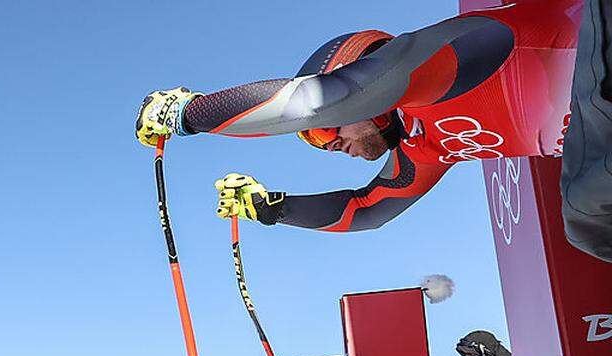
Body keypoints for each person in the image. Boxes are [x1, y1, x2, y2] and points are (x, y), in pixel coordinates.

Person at [134, 0, 612, 262]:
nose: (334, 145)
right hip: (600, 135)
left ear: (357, 67)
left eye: (326, 133)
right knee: (588, 225)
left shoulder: (445, 54)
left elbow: (330, 97)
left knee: (587, 205)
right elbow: (367, 212)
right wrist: (270, 208)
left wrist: (189, 112)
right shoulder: (425, 146)